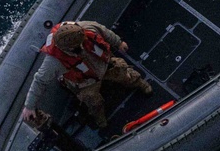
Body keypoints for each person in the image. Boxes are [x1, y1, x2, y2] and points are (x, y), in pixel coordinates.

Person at [22, 19, 152, 133]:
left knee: (125, 73)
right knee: (93, 101)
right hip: (85, 81)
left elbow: (105, 32)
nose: (82, 46)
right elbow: (40, 80)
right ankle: (100, 119)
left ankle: (140, 83)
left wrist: (118, 42)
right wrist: (29, 106)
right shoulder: (53, 61)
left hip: (104, 65)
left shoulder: (87, 27)